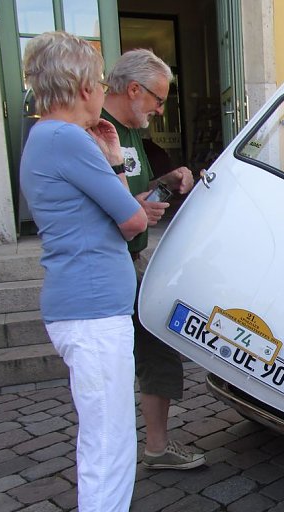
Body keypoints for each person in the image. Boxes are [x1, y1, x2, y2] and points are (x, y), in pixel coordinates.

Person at [20, 31, 170, 512]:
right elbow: (132, 218)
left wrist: (106, 159)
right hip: (90, 309)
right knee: (107, 444)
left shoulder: (49, 137)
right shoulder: (67, 138)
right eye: (99, 81)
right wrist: (110, 160)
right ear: (85, 85)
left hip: (84, 305)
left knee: (109, 436)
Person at [103, 49, 205, 470]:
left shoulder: (130, 135)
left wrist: (169, 181)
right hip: (109, 265)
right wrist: (138, 210)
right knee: (134, 357)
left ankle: (157, 448)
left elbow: (137, 198)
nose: (161, 110)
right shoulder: (99, 132)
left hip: (132, 258)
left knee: (158, 346)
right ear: (132, 90)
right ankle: (135, 452)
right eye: (157, 100)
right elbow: (106, 208)